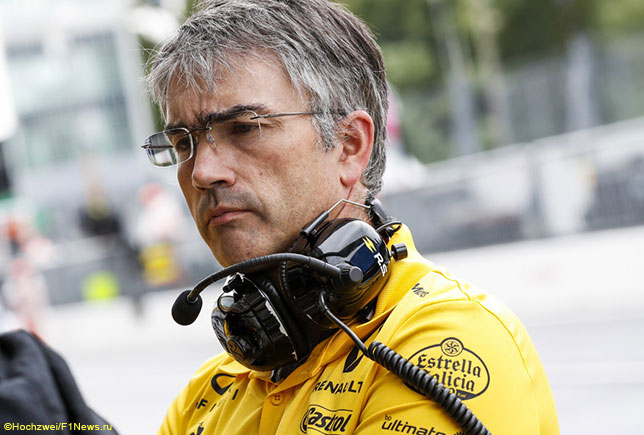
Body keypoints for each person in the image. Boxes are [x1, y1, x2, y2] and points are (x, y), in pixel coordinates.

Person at [143, 1, 559, 434]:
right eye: (183, 143)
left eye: (244, 128)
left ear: (349, 145)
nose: (202, 171)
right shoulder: (206, 393)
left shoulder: (448, 342)